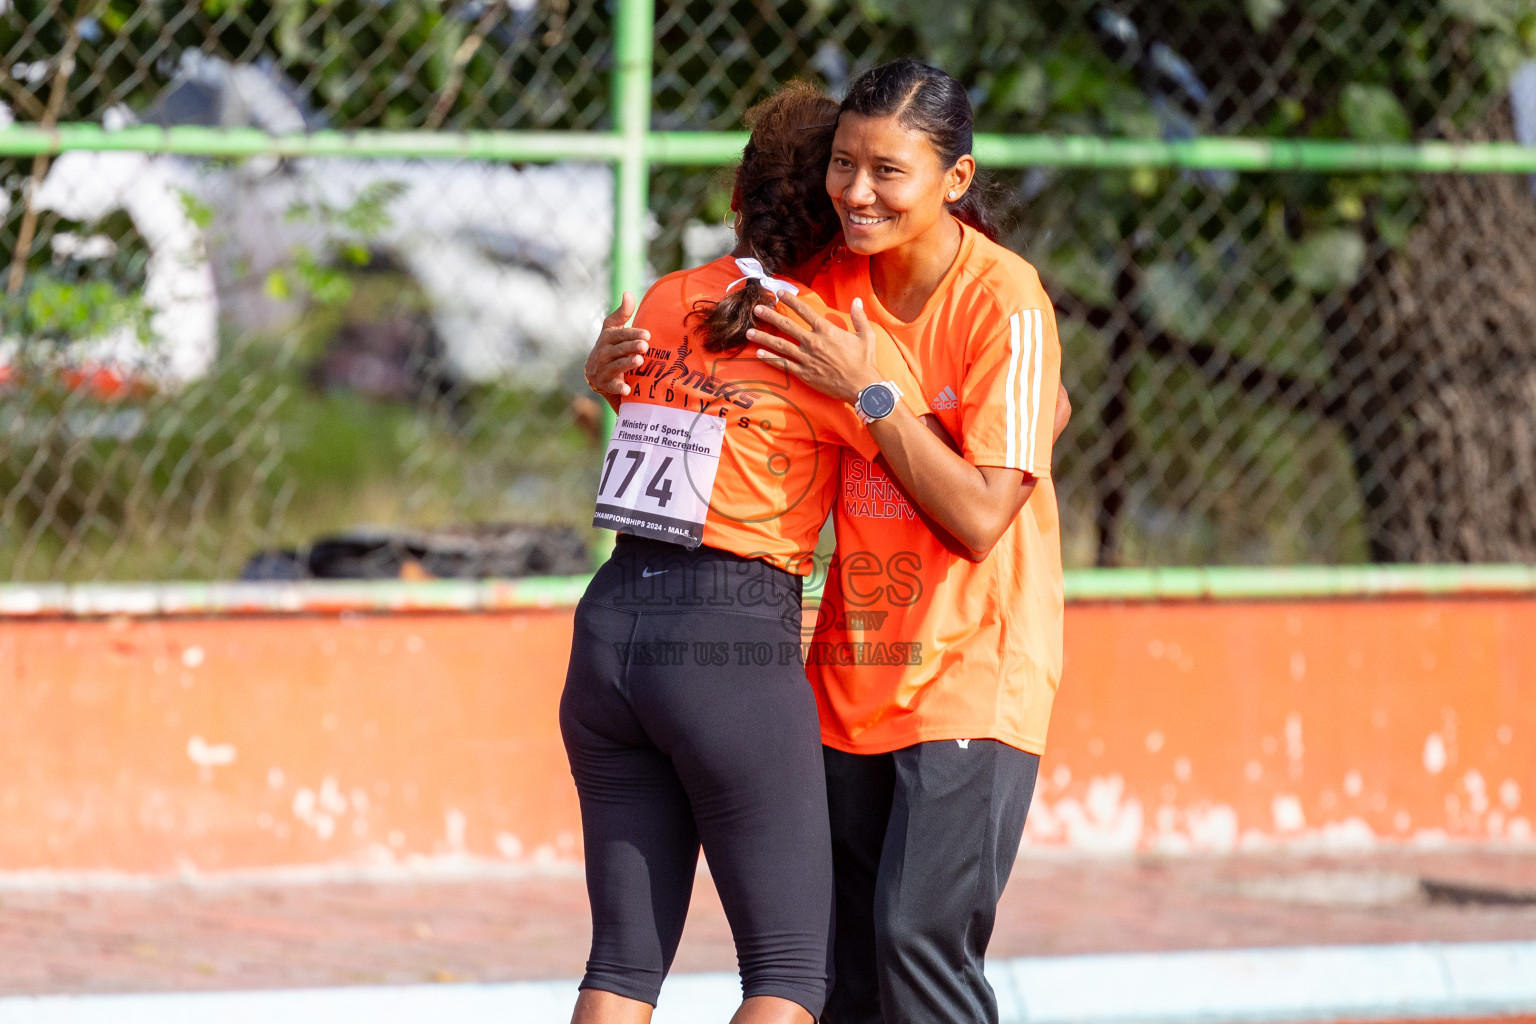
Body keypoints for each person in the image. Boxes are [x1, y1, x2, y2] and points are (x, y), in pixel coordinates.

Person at [560, 82, 936, 1024]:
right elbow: (937, 468)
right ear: (838, 216)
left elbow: (662, 419)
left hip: (609, 633)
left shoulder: (661, 296)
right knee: (788, 972)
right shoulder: (835, 340)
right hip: (727, 645)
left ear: (737, 198)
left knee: (621, 962)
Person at [743, 59, 1068, 1024]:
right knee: (840, 972)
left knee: (915, 947)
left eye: (890, 171)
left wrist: (872, 395)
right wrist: (618, 383)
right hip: (851, 673)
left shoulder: (1004, 298)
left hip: (972, 675)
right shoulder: (826, 286)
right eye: (845, 165)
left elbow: (977, 518)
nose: (856, 192)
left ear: (954, 182)